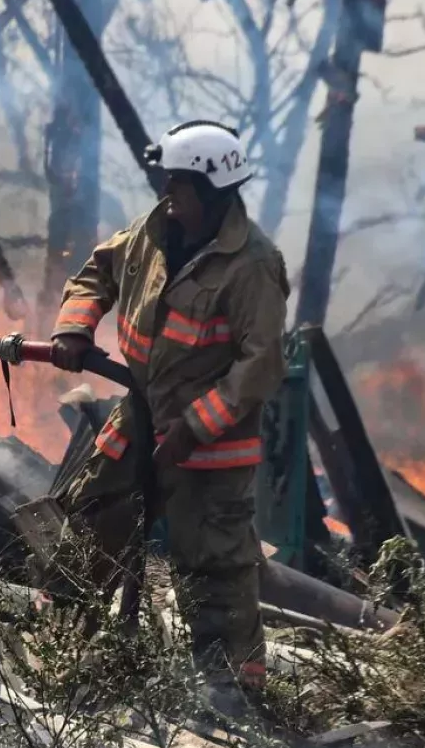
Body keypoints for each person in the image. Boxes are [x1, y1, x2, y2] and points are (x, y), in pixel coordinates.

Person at [47, 120, 290, 708]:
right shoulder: (151, 233)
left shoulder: (252, 264)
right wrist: (74, 328)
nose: (167, 193)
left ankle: (232, 704)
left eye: (178, 183)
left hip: (212, 445)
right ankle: (57, 651)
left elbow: (259, 366)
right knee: (92, 520)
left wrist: (194, 428)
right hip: (141, 414)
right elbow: (96, 274)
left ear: (211, 190)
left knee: (215, 568)